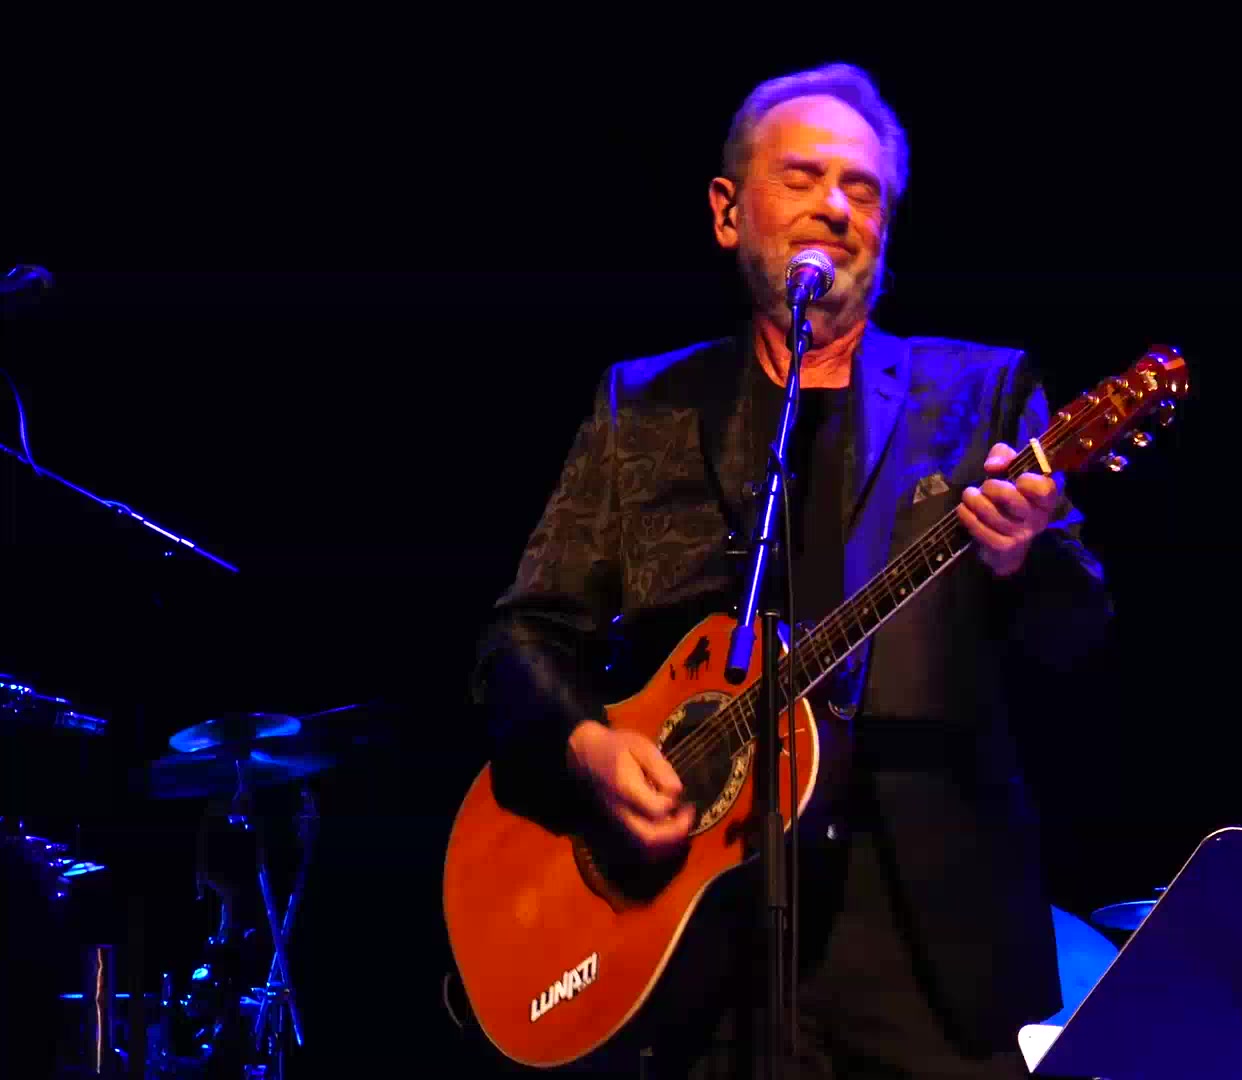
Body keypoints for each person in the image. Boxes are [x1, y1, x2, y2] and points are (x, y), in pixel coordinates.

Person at [471, 62, 1113, 1077]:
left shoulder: (980, 392)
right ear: (728, 212)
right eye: (803, 178)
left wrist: (1021, 558)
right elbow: (520, 639)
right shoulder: (645, 406)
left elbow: (1077, 635)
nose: (836, 208)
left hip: (925, 949)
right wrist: (589, 746)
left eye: (863, 190)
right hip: (691, 945)